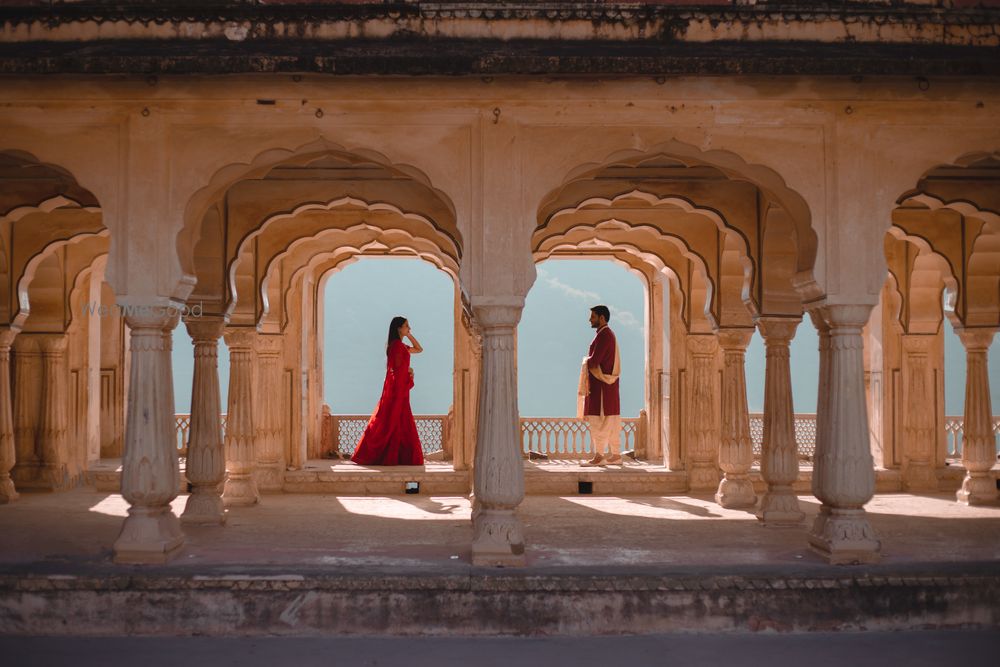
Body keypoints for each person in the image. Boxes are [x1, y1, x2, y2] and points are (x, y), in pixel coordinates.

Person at [351, 316, 425, 466]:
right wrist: (409, 376)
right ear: (398, 328)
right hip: (398, 392)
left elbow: (419, 349)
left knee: (397, 423)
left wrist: (409, 334)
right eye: (406, 326)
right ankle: (385, 455)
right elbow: (396, 372)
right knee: (392, 423)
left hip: (401, 392)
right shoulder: (397, 346)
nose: (409, 328)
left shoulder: (400, 345)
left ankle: (397, 457)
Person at [580, 305, 622, 467]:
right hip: (609, 388)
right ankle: (616, 455)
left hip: (601, 388)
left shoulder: (604, 336)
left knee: (599, 421)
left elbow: (595, 361)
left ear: (602, 318)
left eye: (593, 316)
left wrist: (585, 360)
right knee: (612, 420)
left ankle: (599, 456)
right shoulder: (608, 335)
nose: (590, 319)